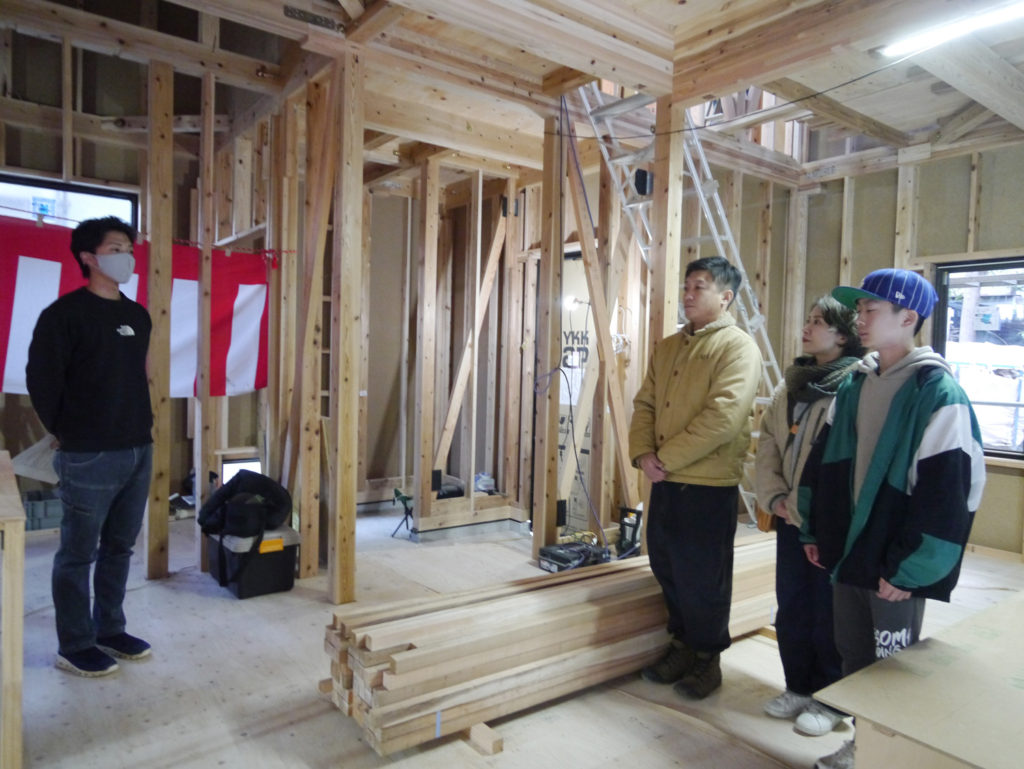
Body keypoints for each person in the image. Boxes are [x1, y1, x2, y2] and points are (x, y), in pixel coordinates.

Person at [799, 269, 986, 769]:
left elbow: (950, 492)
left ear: (908, 317)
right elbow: (823, 464)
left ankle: (891, 755)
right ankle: (864, 747)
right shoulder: (855, 385)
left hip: (895, 559)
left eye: (871, 309)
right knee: (855, 655)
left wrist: (912, 570)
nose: (860, 319)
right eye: (858, 309)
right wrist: (814, 529)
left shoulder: (938, 392)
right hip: (850, 550)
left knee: (893, 663)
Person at [26, 216, 154, 677]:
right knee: (78, 553)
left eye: (129, 249)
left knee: (120, 547)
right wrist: (66, 430)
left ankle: (110, 629)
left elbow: (134, 377)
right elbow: (42, 380)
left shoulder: (137, 315)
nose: (127, 257)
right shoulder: (63, 315)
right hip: (88, 453)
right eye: (116, 249)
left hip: (138, 447)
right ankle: (75, 644)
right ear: (88, 257)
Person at [629, 255, 762, 699]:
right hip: (666, 478)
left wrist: (664, 459)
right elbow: (645, 404)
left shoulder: (737, 348)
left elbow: (723, 417)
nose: (687, 294)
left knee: (704, 576)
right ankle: (682, 646)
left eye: (699, 287)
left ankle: (708, 659)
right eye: (686, 286)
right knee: (666, 564)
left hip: (706, 484)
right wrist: (643, 454)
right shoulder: (669, 347)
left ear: (725, 297)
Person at [755, 296, 864, 737]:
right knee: (792, 606)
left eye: (818, 322)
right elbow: (768, 442)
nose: (807, 327)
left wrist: (816, 511)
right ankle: (798, 685)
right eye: (808, 319)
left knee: (829, 612)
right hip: (789, 517)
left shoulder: (854, 384)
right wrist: (775, 497)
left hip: (829, 524)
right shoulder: (792, 384)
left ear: (843, 335)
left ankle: (831, 698)